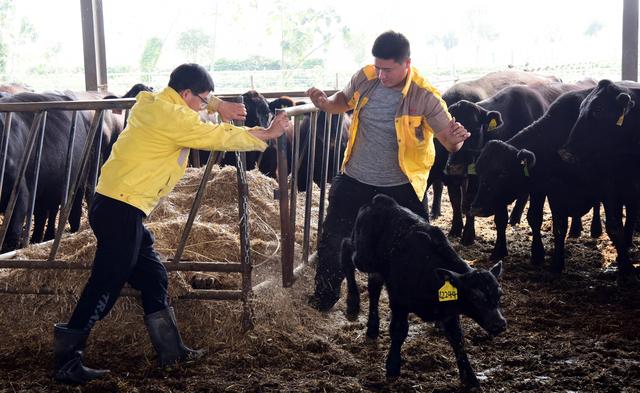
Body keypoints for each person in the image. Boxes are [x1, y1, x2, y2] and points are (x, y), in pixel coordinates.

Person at [53, 63, 290, 384]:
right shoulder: (173, 118)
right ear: (186, 94)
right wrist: (266, 134)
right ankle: (67, 360)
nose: (204, 105)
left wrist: (217, 104)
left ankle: (171, 350)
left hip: (119, 207)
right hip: (120, 209)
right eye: (202, 99)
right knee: (105, 283)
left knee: (152, 275)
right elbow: (216, 135)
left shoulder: (157, 102)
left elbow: (202, 107)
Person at [306, 31, 470, 311]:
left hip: (402, 184)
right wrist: (324, 103)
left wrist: (458, 137)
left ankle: (442, 304)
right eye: (378, 67)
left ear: (407, 63)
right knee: (333, 238)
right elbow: (342, 101)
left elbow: (449, 142)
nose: (381, 74)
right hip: (356, 177)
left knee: (425, 246)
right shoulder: (365, 77)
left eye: (388, 69)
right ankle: (324, 296)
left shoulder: (425, 96)